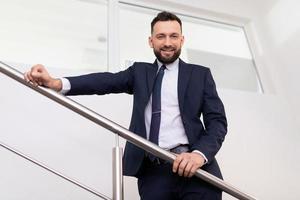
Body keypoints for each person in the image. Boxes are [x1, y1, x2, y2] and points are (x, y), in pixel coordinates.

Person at [25, 11, 227, 200]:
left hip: (197, 170)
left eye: (174, 36)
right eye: (160, 36)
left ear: (182, 39)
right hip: (154, 174)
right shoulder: (140, 72)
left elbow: (217, 122)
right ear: (151, 41)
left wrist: (199, 155)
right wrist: (56, 83)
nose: (167, 43)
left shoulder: (200, 75)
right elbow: (105, 82)